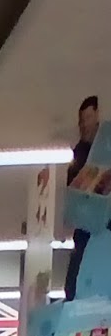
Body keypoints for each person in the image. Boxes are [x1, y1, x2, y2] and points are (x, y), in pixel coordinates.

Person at [67, 95, 99, 298]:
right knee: (74, 286)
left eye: (89, 118)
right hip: (85, 232)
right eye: (83, 120)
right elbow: (71, 191)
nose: (85, 125)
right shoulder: (79, 156)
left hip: (99, 231)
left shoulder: (104, 151)